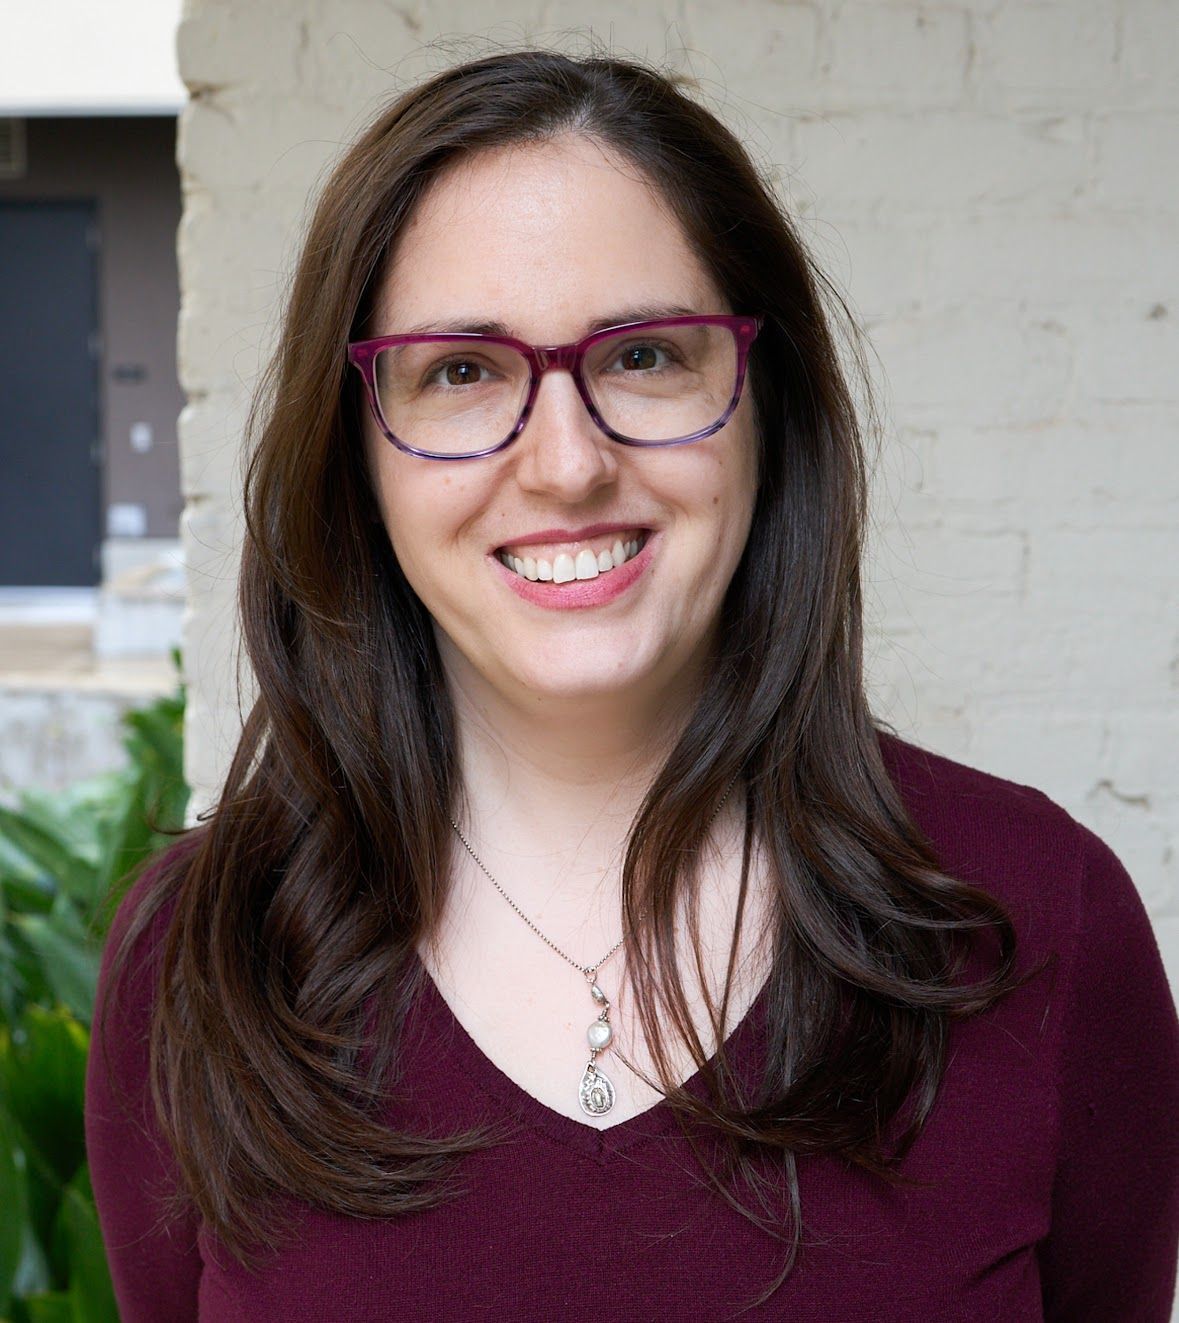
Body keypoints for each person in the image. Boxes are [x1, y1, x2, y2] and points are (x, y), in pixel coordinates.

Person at [85, 47, 1179, 1321]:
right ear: (358, 456)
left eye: (646, 356)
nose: (565, 464)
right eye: (460, 370)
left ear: (763, 405)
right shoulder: (196, 964)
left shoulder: (1041, 923)